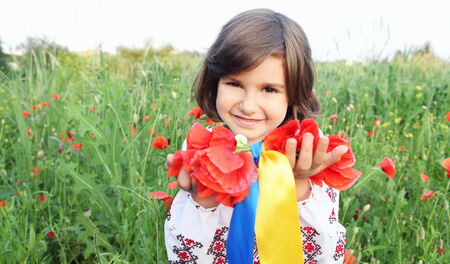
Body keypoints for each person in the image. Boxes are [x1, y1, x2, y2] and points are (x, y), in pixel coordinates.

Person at [164, 8, 349, 264]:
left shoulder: (306, 155)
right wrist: (203, 200)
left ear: (294, 94)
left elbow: (326, 256)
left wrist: (296, 183)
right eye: (235, 84)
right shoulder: (203, 150)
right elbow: (184, 256)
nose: (249, 105)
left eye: (270, 89)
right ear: (215, 82)